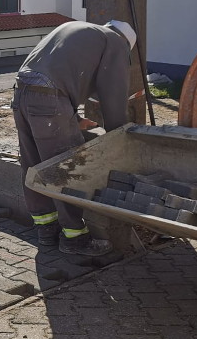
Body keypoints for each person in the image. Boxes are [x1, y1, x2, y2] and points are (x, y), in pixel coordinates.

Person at [13, 19, 137, 256]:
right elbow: (114, 94)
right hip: (48, 99)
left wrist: (74, 119)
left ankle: (45, 229)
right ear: (126, 42)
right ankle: (74, 238)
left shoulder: (78, 30)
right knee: (66, 168)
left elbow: (60, 75)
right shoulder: (115, 43)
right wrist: (120, 135)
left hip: (21, 94)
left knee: (34, 164)